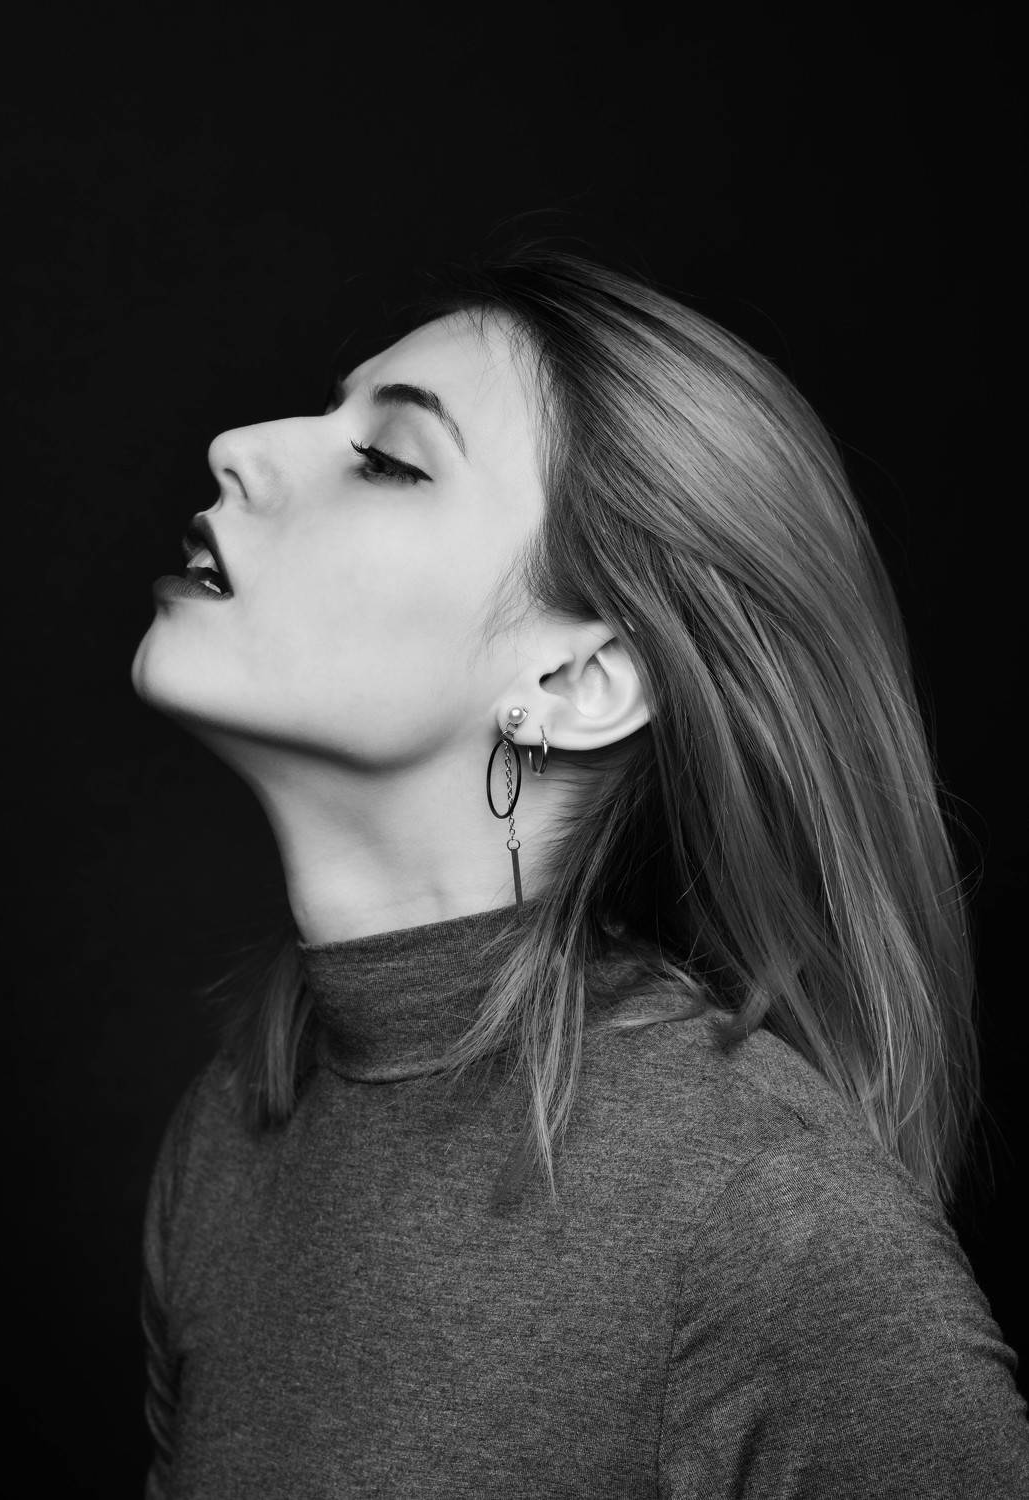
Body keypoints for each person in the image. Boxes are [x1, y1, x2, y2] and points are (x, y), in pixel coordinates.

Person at [132, 245, 1029, 1498]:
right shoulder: (230, 1139)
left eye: (387, 459)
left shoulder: (766, 1217)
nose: (238, 445)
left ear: (574, 681)